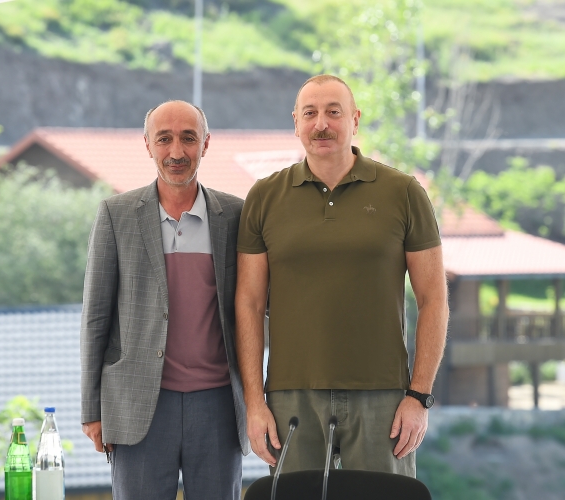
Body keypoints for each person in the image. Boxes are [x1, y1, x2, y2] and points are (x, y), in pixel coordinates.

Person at [235, 75, 448, 477]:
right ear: (296, 122)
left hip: (383, 397)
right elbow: (248, 303)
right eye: (310, 113)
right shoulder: (264, 197)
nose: (321, 124)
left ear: (355, 119)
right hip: (290, 396)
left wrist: (419, 397)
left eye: (333, 112)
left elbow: (434, 299)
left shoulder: (404, 192)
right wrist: (254, 402)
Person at [80, 100, 249, 500]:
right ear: (147, 145)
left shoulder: (237, 215)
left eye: (188, 138)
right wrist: (91, 410)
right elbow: (95, 317)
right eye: (164, 139)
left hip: (219, 407)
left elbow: (257, 308)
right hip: (138, 406)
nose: (176, 151)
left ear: (205, 144)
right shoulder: (116, 215)